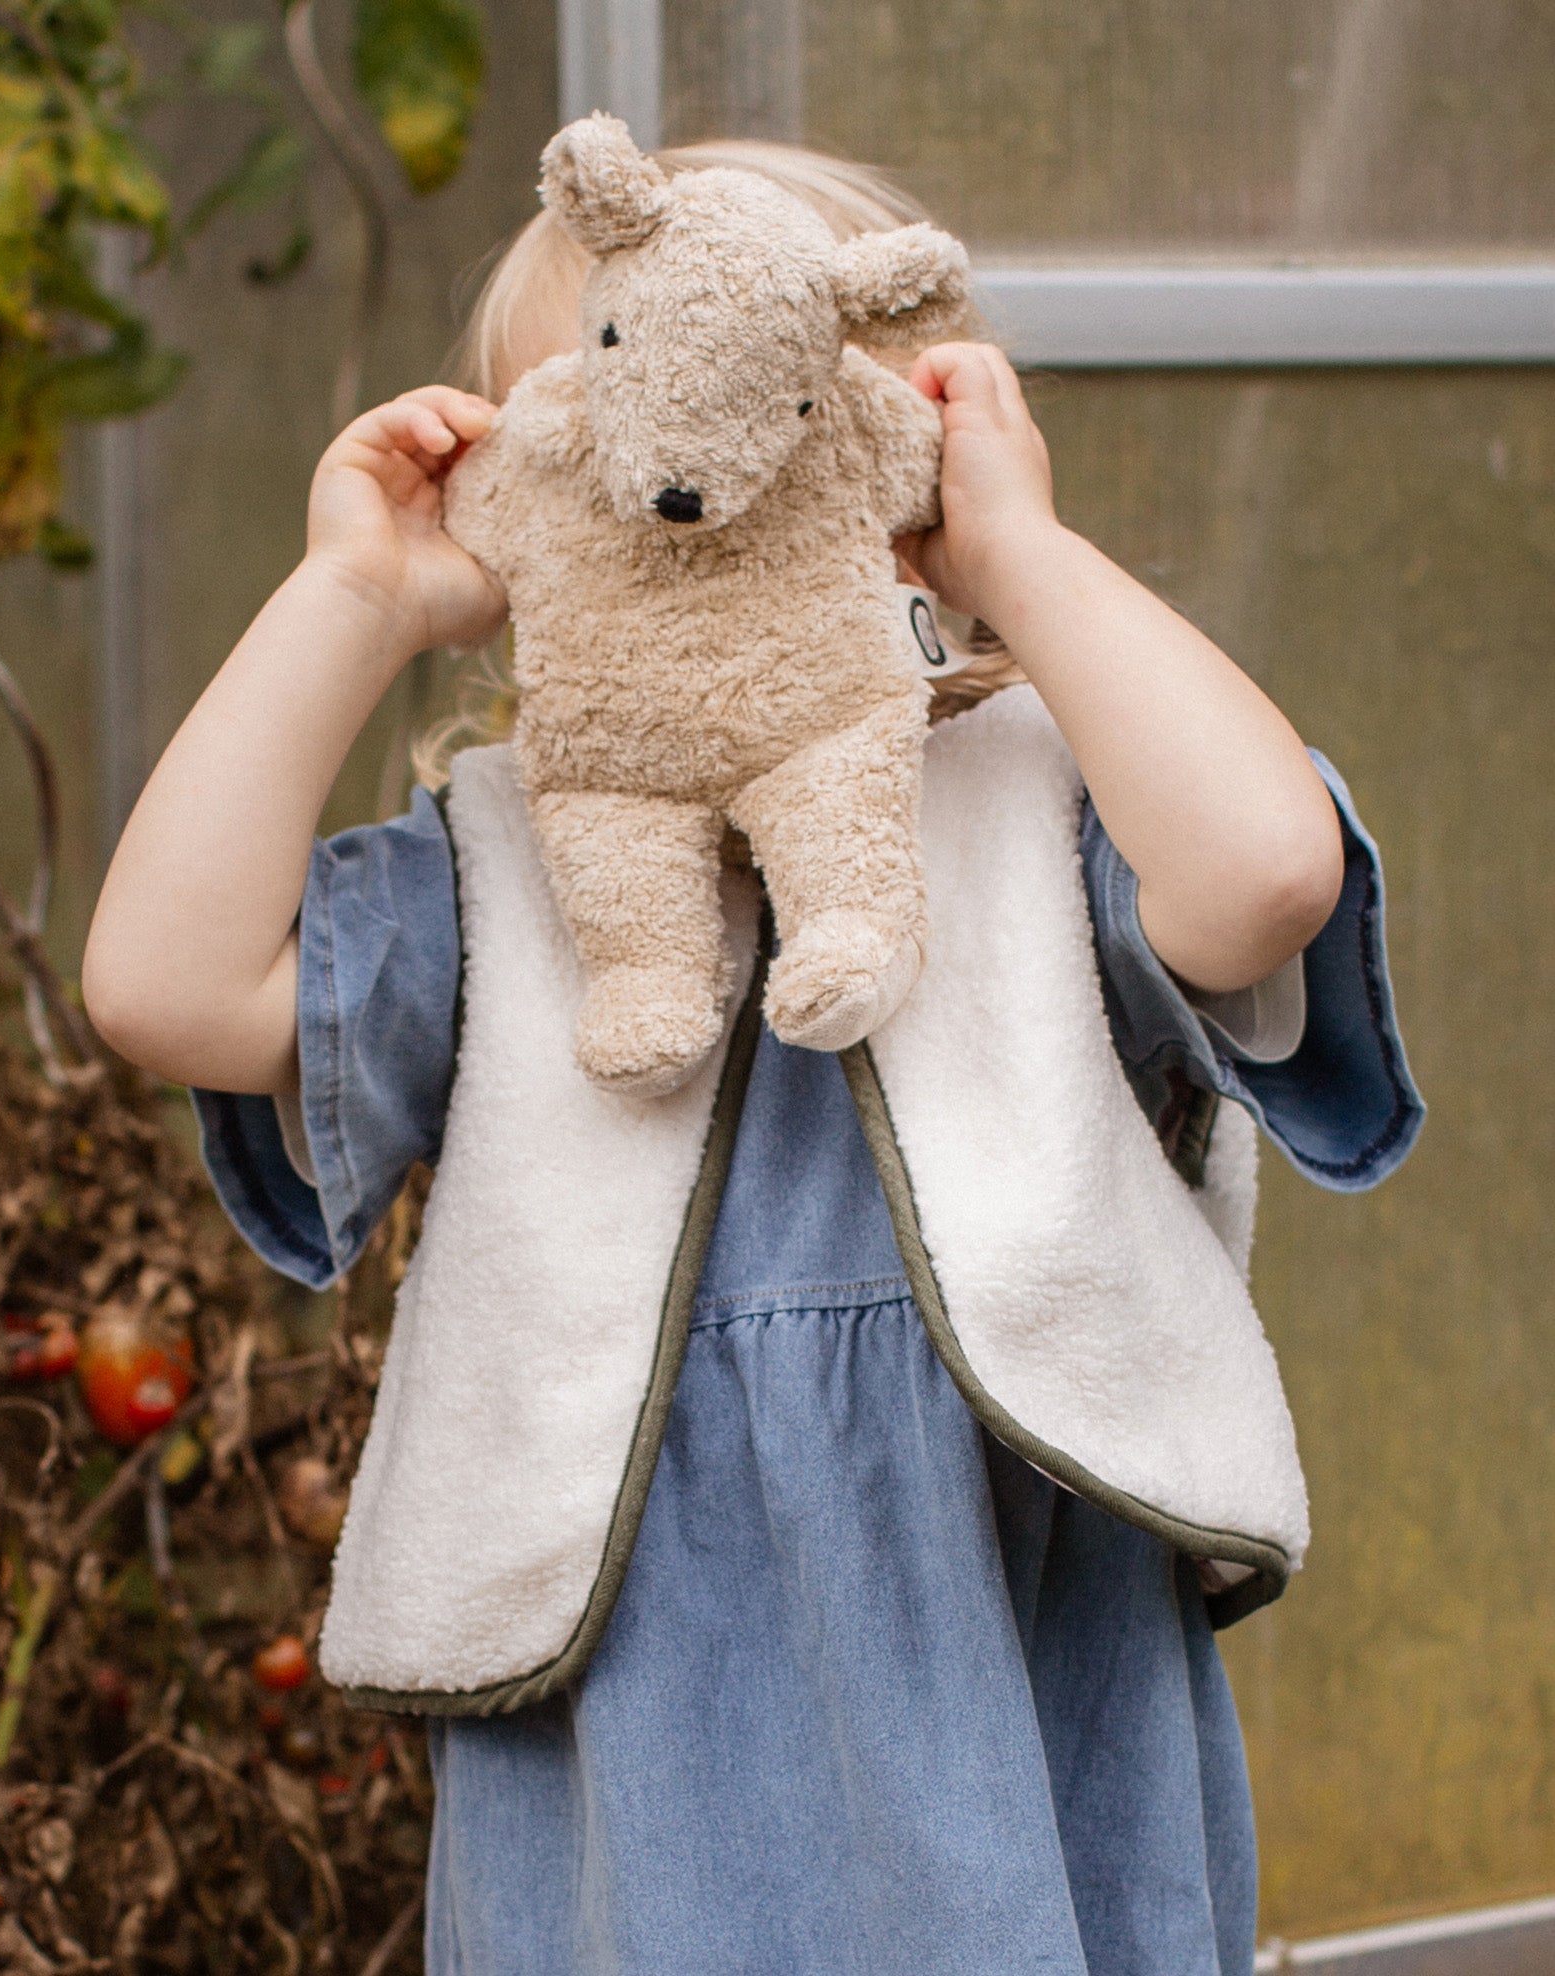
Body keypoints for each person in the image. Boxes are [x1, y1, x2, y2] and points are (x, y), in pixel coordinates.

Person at [82, 137, 1423, 1976]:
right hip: (637, 1719)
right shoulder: (498, 878)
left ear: (896, 459)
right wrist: (356, 601)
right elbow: (160, 987)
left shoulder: (1045, 802)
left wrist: (1021, 558)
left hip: (1013, 1662)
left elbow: (1270, 875)